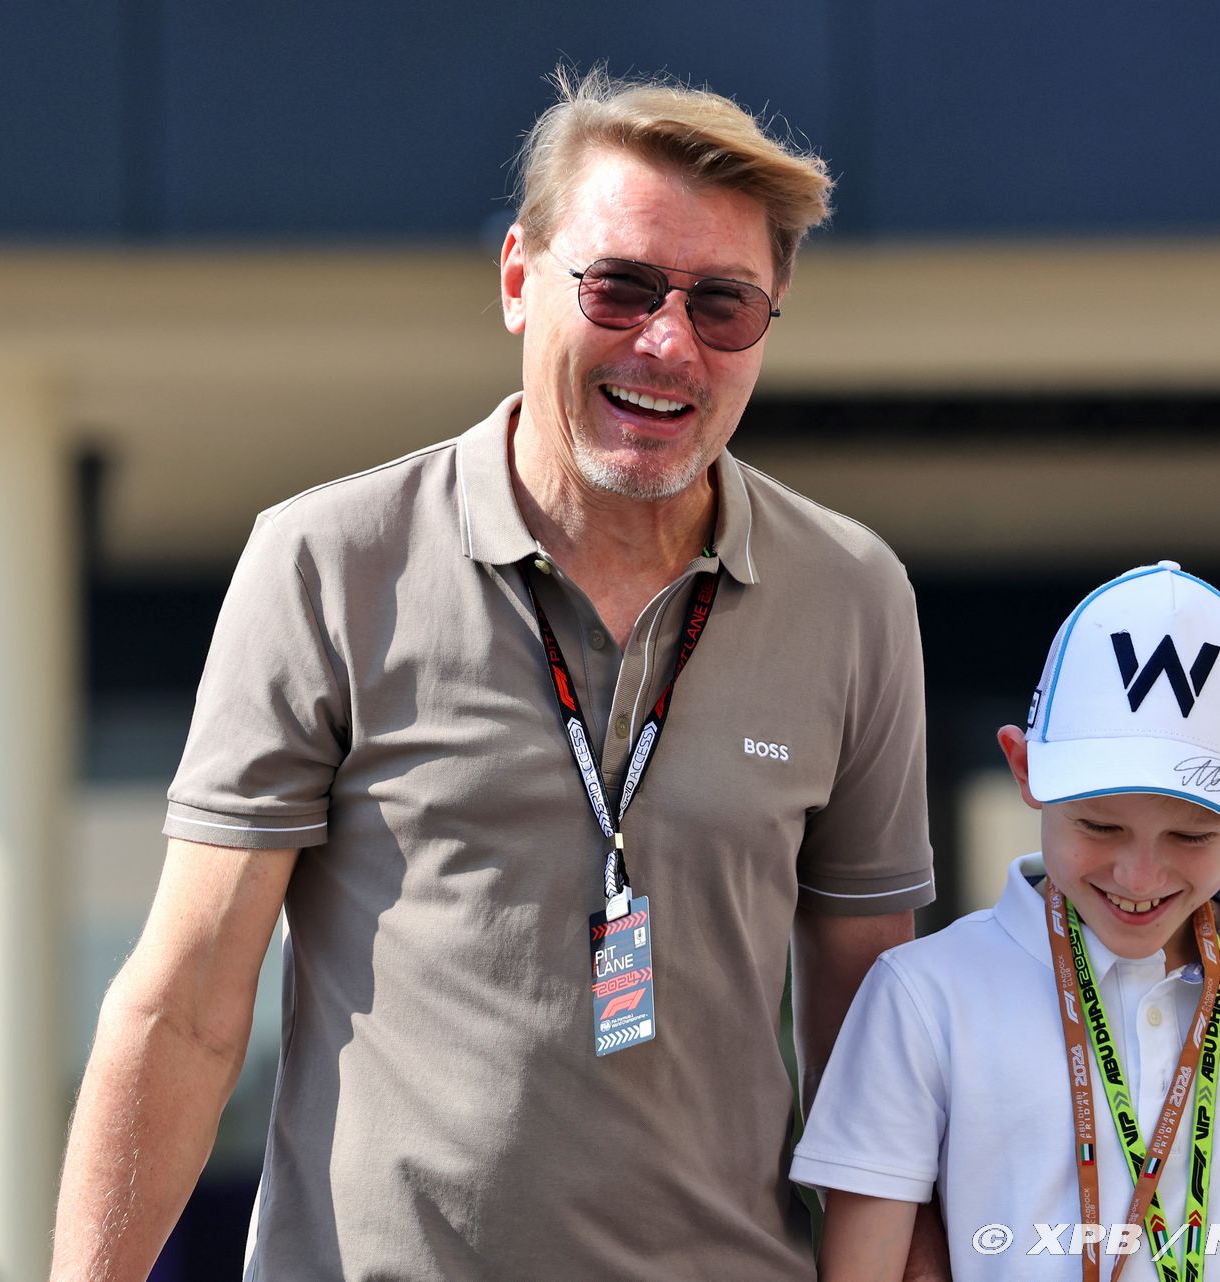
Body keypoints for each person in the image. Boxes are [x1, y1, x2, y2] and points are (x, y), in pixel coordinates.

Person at [52, 67, 943, 1281]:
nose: (668, 342)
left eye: (723, 304)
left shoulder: (851, 594)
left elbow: (871, 1043)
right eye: (620, 287)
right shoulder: (331, 563)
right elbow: (187, 1006)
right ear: (520, 280)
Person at [792, 561, 1220, 1281]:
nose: (1140, 877)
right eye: (1100, 826)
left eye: (1192, 836)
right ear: (1024, 769)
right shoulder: (924, 994)